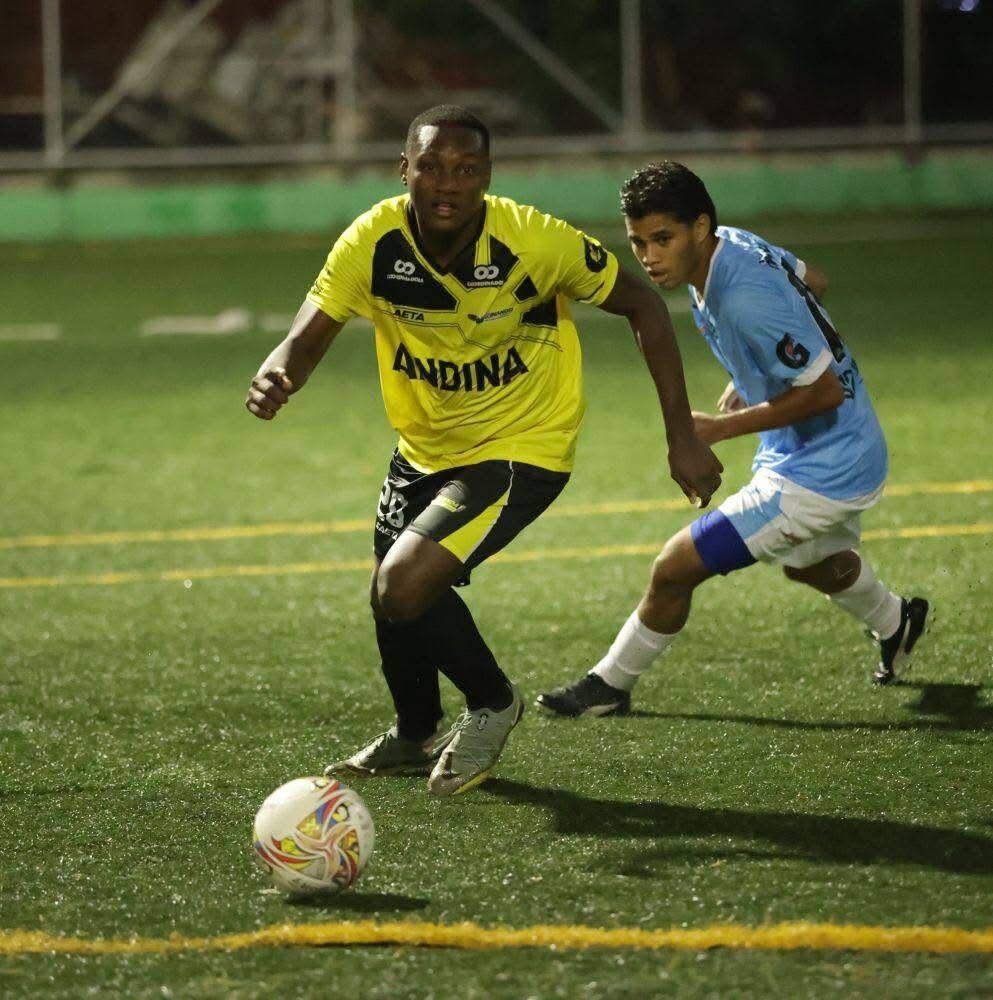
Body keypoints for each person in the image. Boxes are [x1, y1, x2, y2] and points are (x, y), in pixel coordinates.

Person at [245, 110, 722, 794]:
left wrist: (680, 433)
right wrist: (279, 370)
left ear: (487, 177)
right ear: (403, 169)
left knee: (403, 585)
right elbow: (310, 329)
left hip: (521, 445)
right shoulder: (373, 241)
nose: (448, 184)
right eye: (432, 166)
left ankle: (492, 701)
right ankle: (414, 733)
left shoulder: (532, 240)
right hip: (425, 445)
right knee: (391, 598)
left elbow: (642, 305)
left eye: (466, 170)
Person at [537, 161, 929, 719]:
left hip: (824, 467)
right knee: (808, 562)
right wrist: (759, 368)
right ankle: (896, 621)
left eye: (663, 239)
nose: (649, 257)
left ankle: (610, 683)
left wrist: (720, 428)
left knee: (674, 568)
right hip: (821, 448)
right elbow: (812, 280)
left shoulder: (742, 295)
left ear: (700, 228)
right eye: (639, 242)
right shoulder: (735, 245)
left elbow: (822, 394)